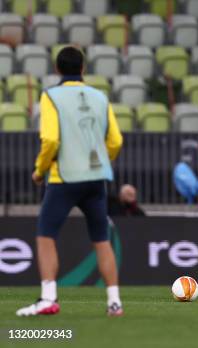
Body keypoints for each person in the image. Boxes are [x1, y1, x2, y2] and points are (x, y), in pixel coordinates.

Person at [16, 46, 124, 317]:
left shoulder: (50, 96)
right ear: (83, 69)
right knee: (101, 239)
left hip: (64, 177)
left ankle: (49, 298)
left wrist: (40, 169)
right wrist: (102, 161)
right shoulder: (99, 96)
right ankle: (114, 302)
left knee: (45, 236)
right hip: (96, 177)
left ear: (57, 69)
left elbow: (50, 139)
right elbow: (116, 141)